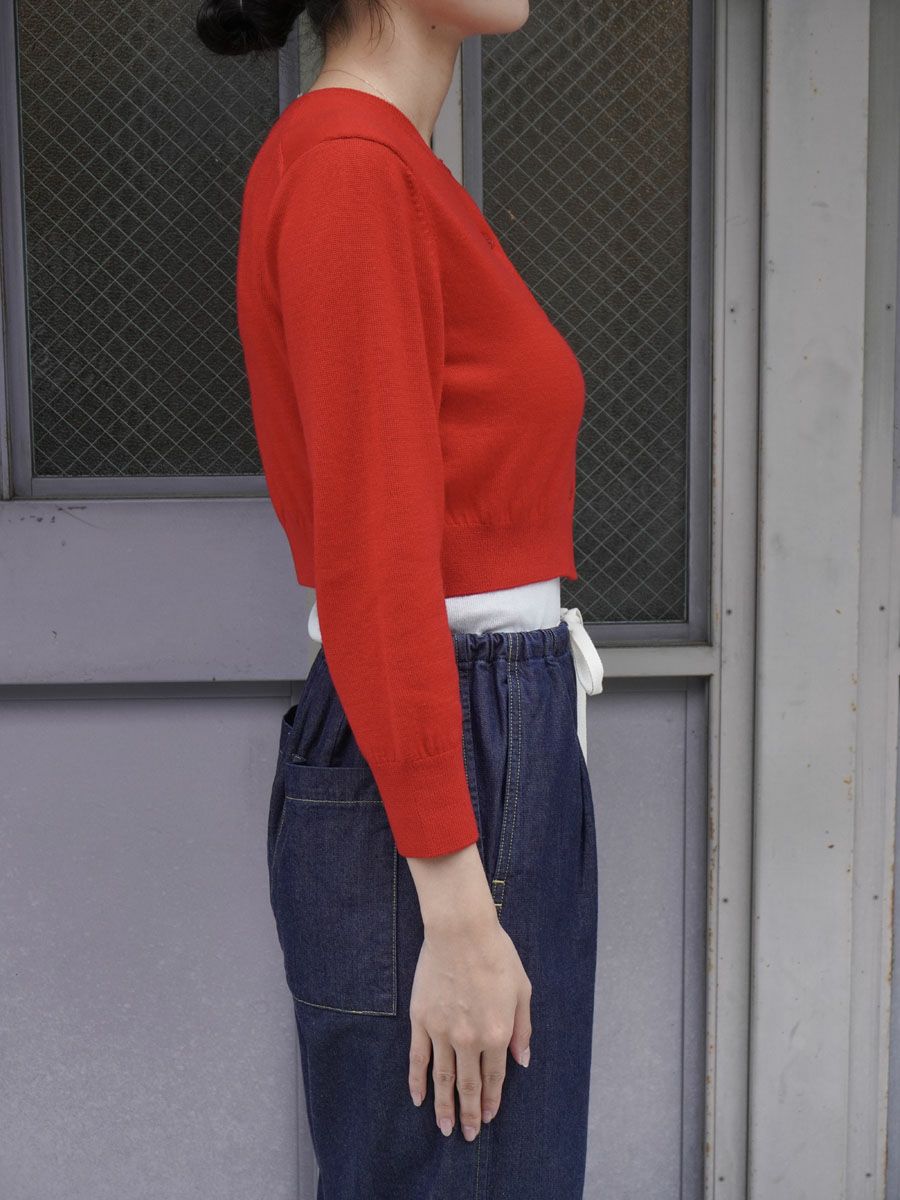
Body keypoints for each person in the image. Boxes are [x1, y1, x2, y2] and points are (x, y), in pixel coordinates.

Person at [197, 0, 603, 1194]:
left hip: (479, 728)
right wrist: (457, 904)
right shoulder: (350, 169)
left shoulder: (381, 165)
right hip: (453, 736)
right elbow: (375, 555)